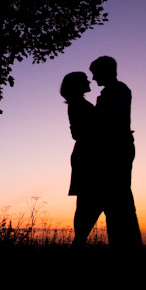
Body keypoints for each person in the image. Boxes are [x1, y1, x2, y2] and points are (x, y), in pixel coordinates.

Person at [89, 55, 142, 248]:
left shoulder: (116, 91)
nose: (93, 78)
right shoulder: (115, 91)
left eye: (95, 73)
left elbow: (108, 122)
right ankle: (124, 246)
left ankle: (126, 247)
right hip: (117, 147)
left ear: (104, 71)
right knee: (117, 201)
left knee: (119, 201)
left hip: (116, 150)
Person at [60, 71, 102, 247]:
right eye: (85, 81)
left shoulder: (80, 103)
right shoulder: (78, 104)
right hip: (87, 157)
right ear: (77, 85)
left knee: (88, 202)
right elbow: (77, 133)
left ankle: (79, 243)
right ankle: (78, 244)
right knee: (88, 201)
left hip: (87, 155)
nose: (90, 82)